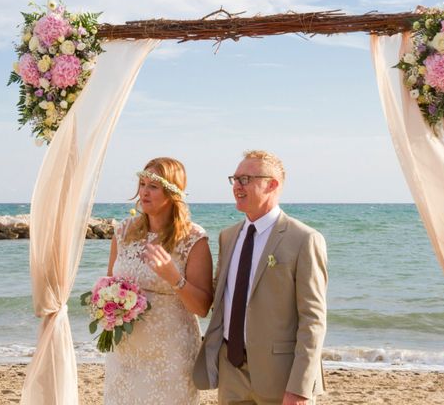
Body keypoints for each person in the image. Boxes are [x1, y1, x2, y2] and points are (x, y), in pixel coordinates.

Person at [193, 150, 328, 405]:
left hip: (279, 376)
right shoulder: (228, 237)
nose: (236, 186)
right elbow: (221, 299)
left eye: (245, 179)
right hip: (231, 372)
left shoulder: (304, 239)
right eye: (234, 179)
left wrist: (300, 387)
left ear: (272, 184)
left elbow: (313, 320)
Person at [104, 157, 214, 405]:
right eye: (142, 184)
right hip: (125, 353)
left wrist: (174, 278)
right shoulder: (123, 232)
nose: (144, 191)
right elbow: (110, 284)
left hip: (170, 355)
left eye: (153, 186)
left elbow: (202, 307)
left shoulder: (193, 239)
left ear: (173, 193)